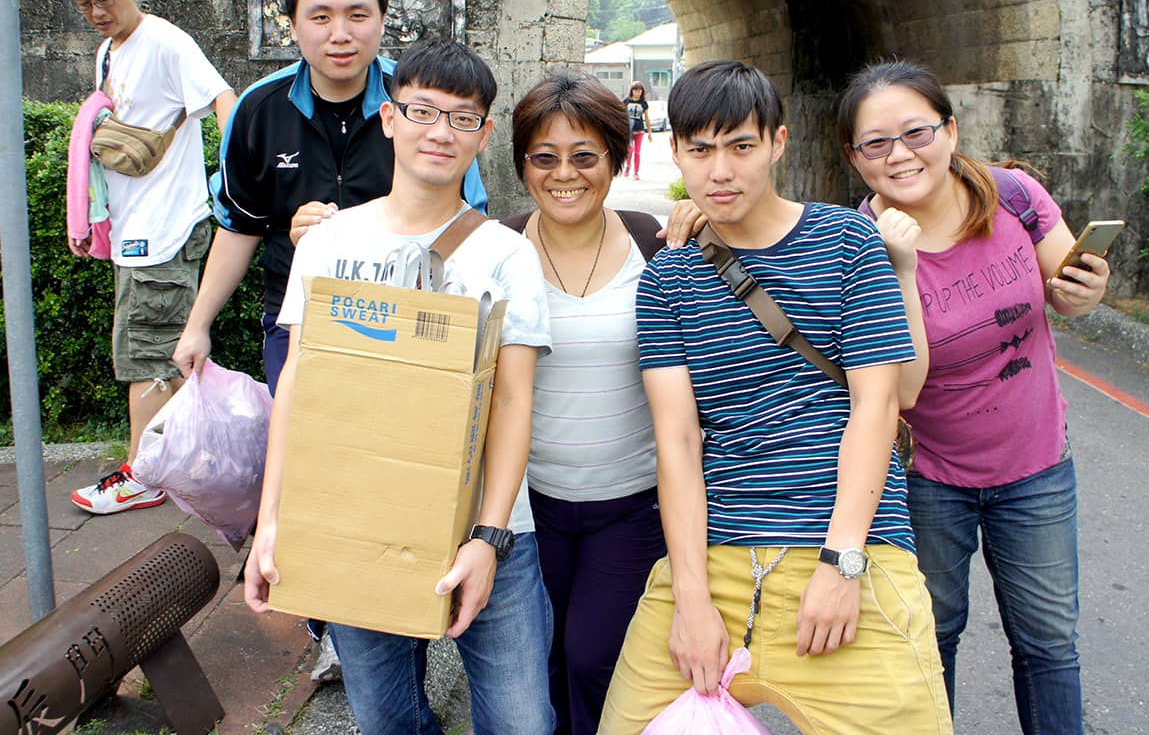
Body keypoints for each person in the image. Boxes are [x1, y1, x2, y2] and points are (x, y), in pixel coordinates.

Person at [599, 60, 952, 734]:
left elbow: (877, 407)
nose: (720, 171)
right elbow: (676, 441)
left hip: (852, 549)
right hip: (717, 554)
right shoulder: (668, 279)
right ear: (676, 151)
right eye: (700, 150)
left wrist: (841, 562)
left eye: (740, 146)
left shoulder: (848, 242)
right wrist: (690, 598)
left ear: (778, 143)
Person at [244, 37, 555, 734]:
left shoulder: (505, 253)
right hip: (357, 521)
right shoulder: (327, 244)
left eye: (462, 118)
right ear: (388, 118)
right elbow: (299, 384)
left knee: (521, 721)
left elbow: (512, 399)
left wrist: (488, 537)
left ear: (483, 135)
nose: (440, 131)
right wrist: (274, 522)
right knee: (384, 719)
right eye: (422, 111)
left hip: (493, 535)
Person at [838, 60, 1109, 735]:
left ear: (950, 131)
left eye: (915, 132)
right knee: (930, 640)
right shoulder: (855, 247)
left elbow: (1064, 284)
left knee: (1048, 642)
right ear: (853, 157)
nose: (899, 154)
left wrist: (1086, 291)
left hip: (1037, 465)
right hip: (927, 481)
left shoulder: (1011, 194)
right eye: (876, 143)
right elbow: (900, 389)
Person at [171, 0, 488, 392]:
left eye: (358, 15)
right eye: (320, 18)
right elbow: (239, 225)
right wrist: (197, 325)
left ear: (382, 20)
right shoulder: (257, 111)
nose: (340, 34)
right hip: (297, 318)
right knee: (304, 447)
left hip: (407, 317)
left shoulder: (419, 103)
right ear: (294, 25)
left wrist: (354, 239)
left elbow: (468, 219)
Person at [504, 70, 670, 733]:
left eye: (583, 157)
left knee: (596, 657)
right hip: (528, 506)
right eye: (544, 158)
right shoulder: (497, 249)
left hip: (629, 505)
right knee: (540, 661)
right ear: (522, 165)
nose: (563, 174)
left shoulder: (655, 242)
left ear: (612, 158)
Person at [60, 0, 236, 515]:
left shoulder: (166, 40)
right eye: (84, 4)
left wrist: (235, 175)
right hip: (137, 230)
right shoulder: (110, 50)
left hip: (163, 231)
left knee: (149, 357)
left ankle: (145, 473)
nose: (97, 12)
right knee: (160, 353)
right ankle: (194, 459)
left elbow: (222, 98)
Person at [622, 81, 653, 180]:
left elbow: (647, 118)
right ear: (632, 91)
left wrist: (649, 132)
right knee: (630, 150)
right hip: (629, 130)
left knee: (637, 152)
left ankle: (636, 172)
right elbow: (621, 115)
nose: (637, 92)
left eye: (639, 91)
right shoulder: (626, 101)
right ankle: (628, 166)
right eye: (635, 90)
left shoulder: (643, 103)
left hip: (640, 129)